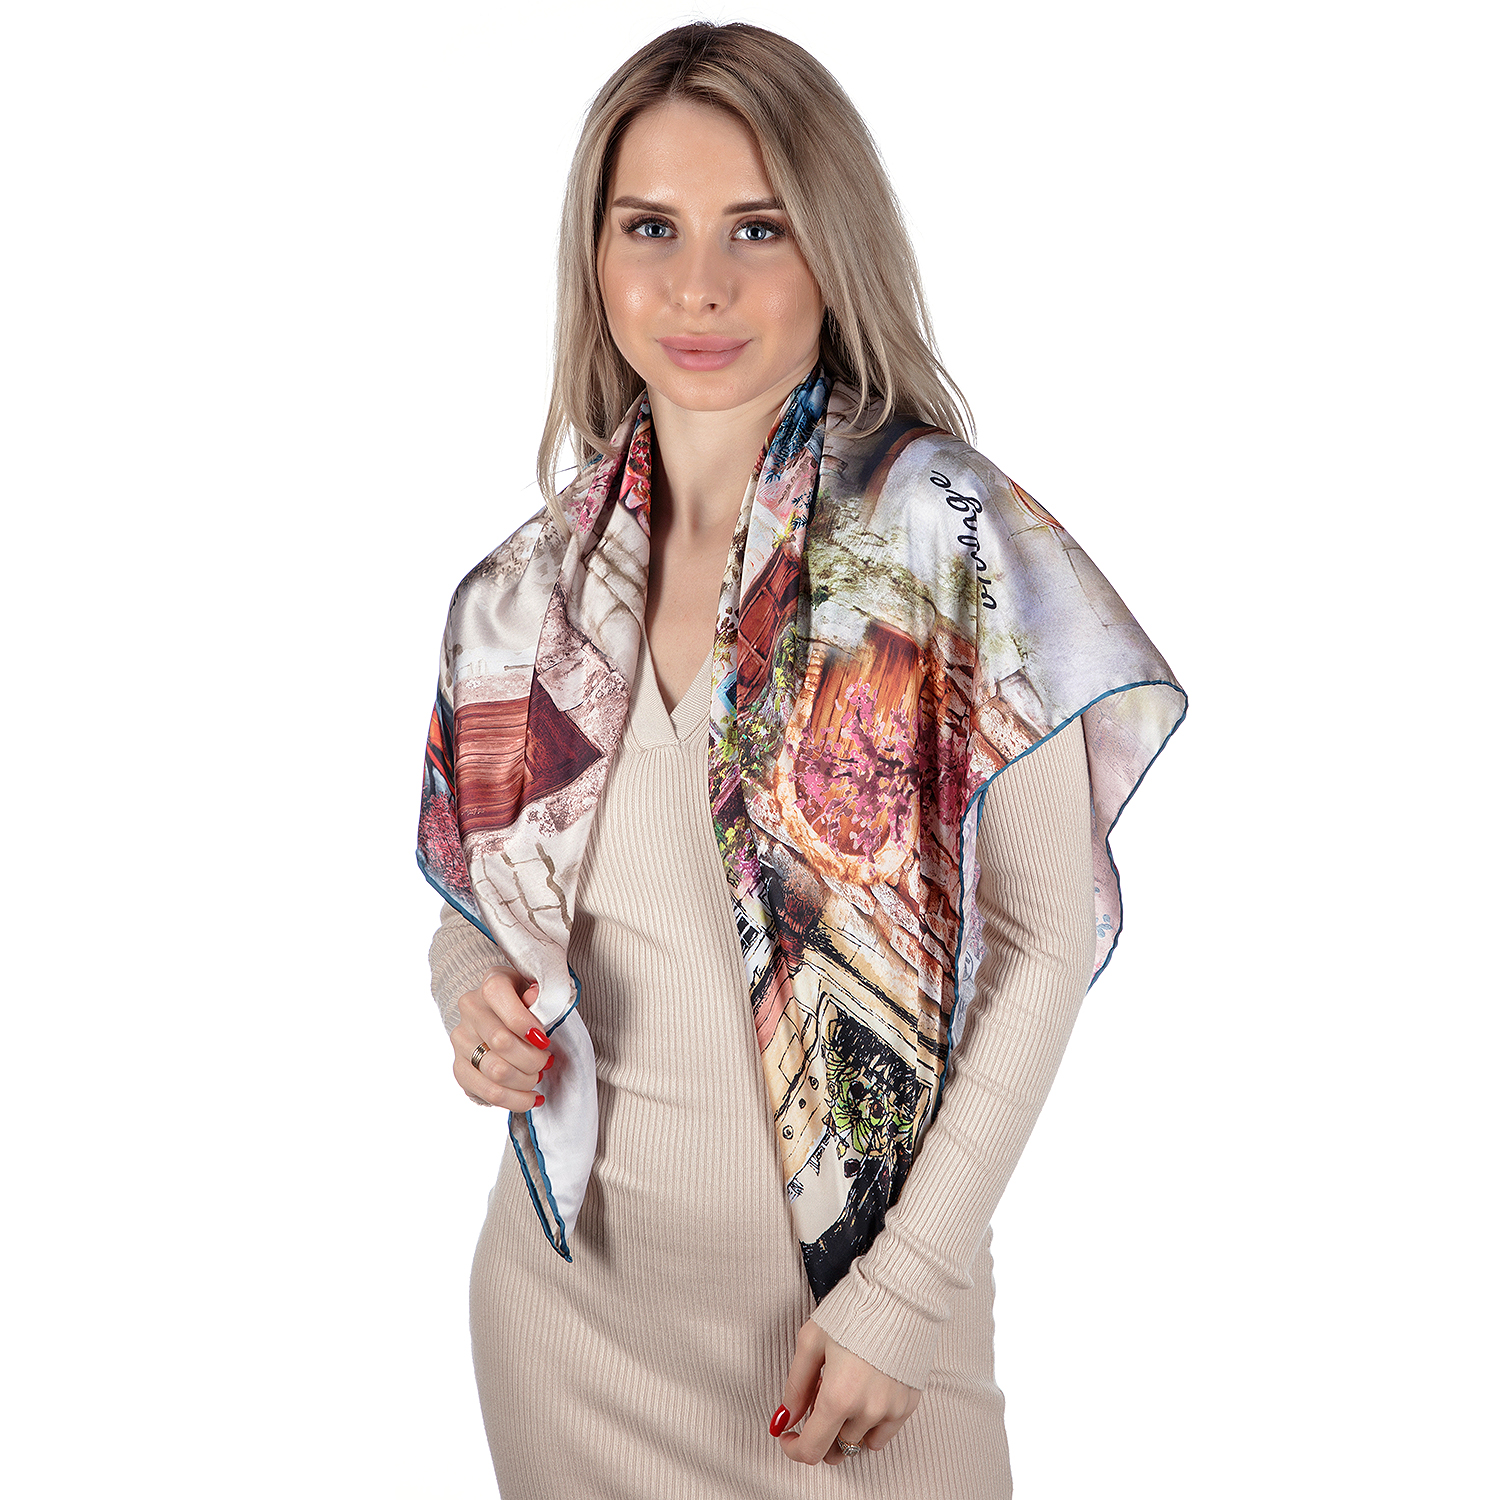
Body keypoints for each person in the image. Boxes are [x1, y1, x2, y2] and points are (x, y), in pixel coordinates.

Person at [417, 22, 1186, 1497]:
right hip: (568, 1333)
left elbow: (1041, 942)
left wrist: (904, 1293)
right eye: (651, 227)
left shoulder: (943, 548)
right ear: (595, 255)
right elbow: (484, 916)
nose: (698, 285)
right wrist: (471, 1001)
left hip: (853, 1356)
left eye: (756, 228)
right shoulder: (526, 596)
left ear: (832, 247)